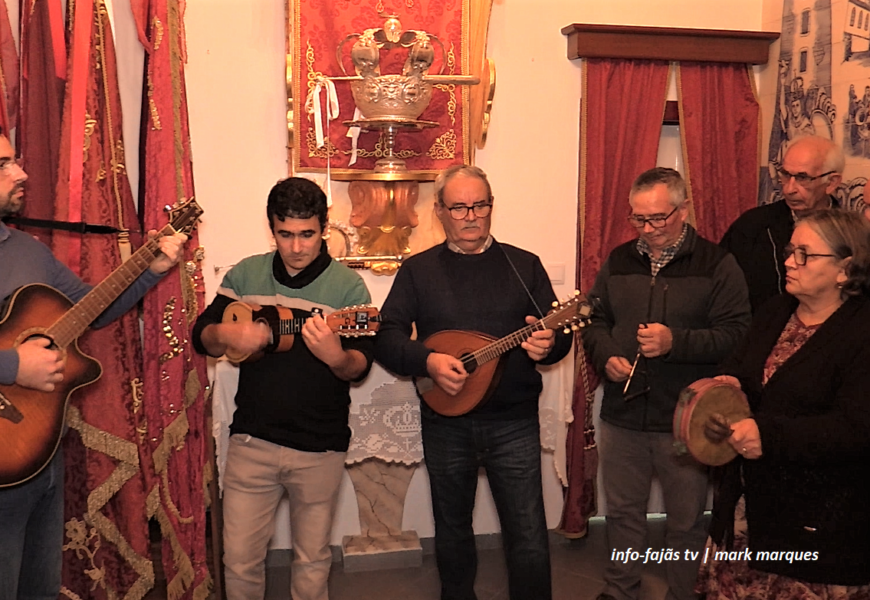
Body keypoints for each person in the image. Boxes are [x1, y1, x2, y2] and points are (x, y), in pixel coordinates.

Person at [0, 131, 187, 599]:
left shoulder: (26, 251)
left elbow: (90, 307)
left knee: (36, 588)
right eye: (4, 165)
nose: (21, 173)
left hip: (41, 458)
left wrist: (151, 270)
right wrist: (11, 366)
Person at [374, 164, 573, 600]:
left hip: (514, 421)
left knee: (527, 534)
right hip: (445, 422)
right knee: (453, 531)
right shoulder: (418, 270)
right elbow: (386, 337)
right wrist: (427, 362)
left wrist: (549, 345)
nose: (471, 216)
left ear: (491, 208)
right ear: (440, 212)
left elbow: (560, 334)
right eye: (459, 207)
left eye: (480, 205)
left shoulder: (524, 265)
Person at [191, 177, 374, 600]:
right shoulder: (245, 274)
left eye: (307, 234)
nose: (296, 247)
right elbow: (202, 334)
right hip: (252, 440)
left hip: (320, 446)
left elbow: (359, 367)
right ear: (271, 229)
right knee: (238, 561)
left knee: (311, 562)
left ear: (324, 227)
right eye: (285, 234)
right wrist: (228, 336)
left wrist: (335, 356)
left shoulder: (349, 289)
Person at [582, 167, 751, 600]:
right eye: (638, 219)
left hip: (684, 419)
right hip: (622, 415)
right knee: (622, 515)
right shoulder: (620, 259)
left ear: (684, 209)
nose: (648, 229)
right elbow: (595, 320)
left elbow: (737, 334)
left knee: (685, 520)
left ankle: (683, 592)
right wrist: (607, 356)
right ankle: (620, 590)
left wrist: (676, 342)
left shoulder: (717, 263)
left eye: (659, 218)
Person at [698, 209, 870, 597]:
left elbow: (856, 428)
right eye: (791, 250)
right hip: (751, 509)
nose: (789, 261)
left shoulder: (861, 331)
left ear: (845, 269)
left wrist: (769, 435)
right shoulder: (777, 311)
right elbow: (743, 369)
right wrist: (727, 387)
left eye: (805, 254)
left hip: (822, 525)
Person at [720, 135, 844, 312]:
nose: (789, 189)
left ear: (831, 183)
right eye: (785, 175)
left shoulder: (851, 235)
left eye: (803, 178)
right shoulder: (752, 226)